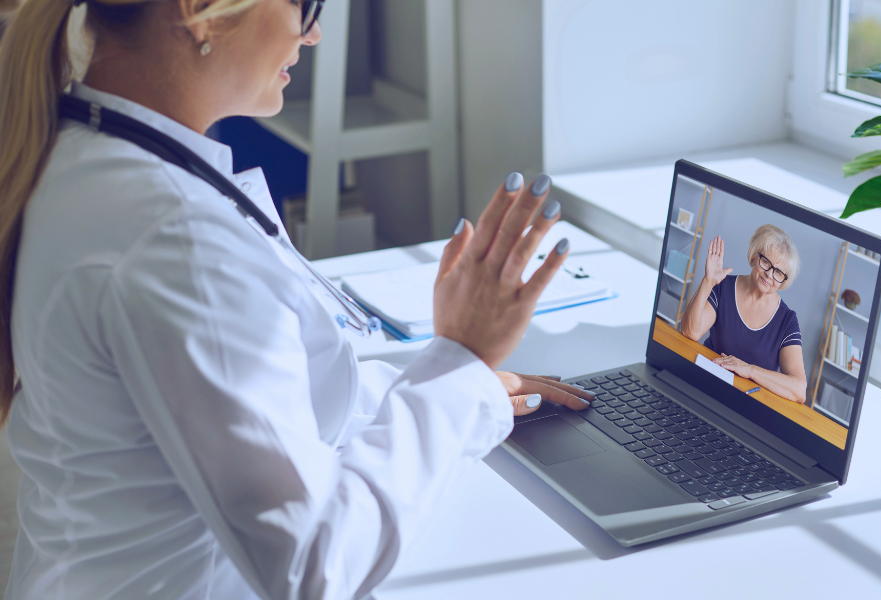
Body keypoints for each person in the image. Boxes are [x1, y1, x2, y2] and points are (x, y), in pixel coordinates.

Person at [0, 0, 593, 598]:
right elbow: (317, 562)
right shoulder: (175, 240)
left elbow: (232, 397)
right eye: (302, 5)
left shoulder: (81, 149)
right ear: (199, 12)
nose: (311, 36)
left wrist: (458, 389)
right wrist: (461, 358)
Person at [678, 225, 807, 404]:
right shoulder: (723, 286)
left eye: (778, 272)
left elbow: (799, 390)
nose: (770, 274)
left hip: (748, 406)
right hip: (705, 386)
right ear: (754, 257)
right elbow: (690, 331)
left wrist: (749, 370)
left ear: (783, 281)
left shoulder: (787, 321)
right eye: (766, 262)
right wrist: (708, 281)